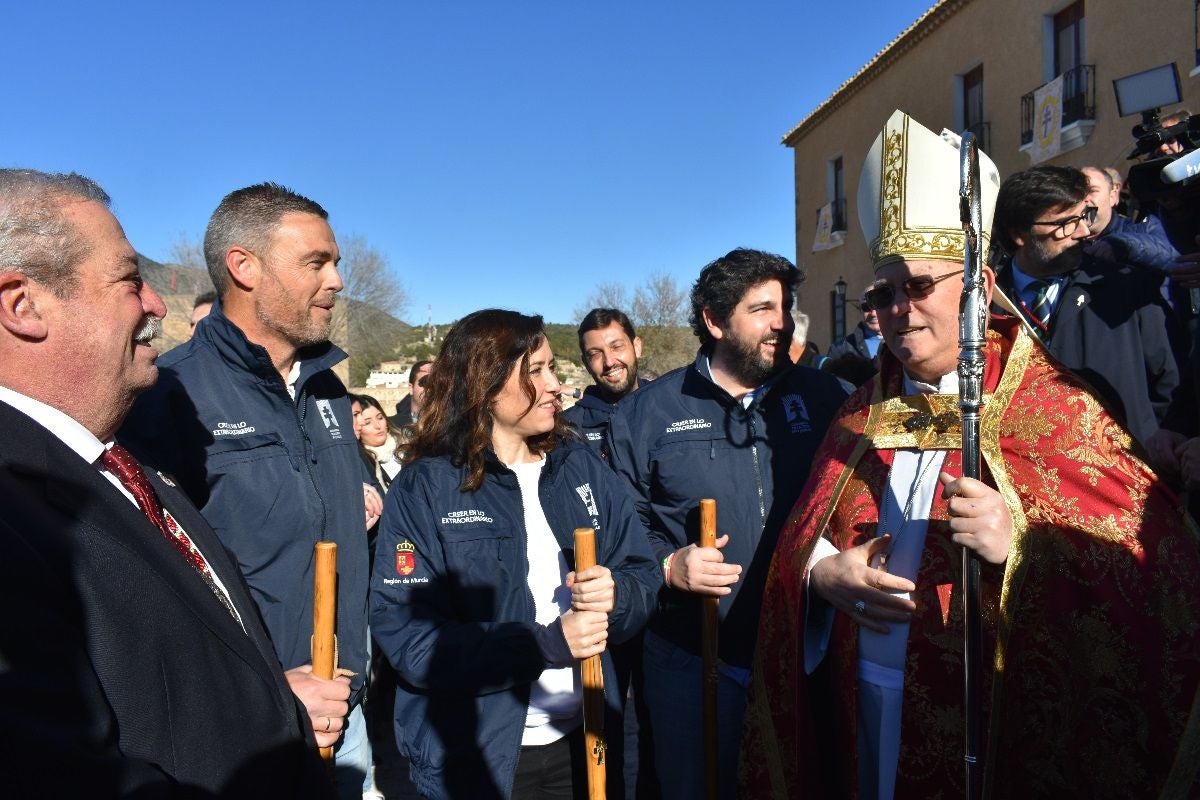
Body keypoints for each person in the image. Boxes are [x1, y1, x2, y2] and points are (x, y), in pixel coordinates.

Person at [741, 109, 1200, 799]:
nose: (898, 310)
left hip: (992, 715)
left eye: (919, 285)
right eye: (882, 294)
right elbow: (802, 535)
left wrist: (1024, 542)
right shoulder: (858, 411)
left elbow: (1155, 563)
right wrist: (820, 578)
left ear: (980, 289)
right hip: (857, 707)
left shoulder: (1055, 407)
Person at [0, 168, 334, 797]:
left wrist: (272, 703)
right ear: (24, 306)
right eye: (129, 280)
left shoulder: (126, 466)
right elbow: (58, 771)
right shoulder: (12, 506)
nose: (156, 304)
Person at [121, 182, 380, 798]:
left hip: (346, 710)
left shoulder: (328, 391)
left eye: (335, 262)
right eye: (316, 263)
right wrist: (263, 689)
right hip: (248, 730)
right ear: (244, 267)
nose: (338, 281)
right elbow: (152, 590)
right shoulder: (168, 397)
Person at [370, 309, 660, 799]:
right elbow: (410, 639)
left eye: (554, 368)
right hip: (476, 757)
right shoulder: (427, 488)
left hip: (585, 745)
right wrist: (541, 644)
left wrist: (618, 595)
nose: (557, 386)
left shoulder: (580, 468)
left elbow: (641, 572)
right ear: (485, 383)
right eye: (537, 371)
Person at [606, 248, 849, 800]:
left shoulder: (828, 399)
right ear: (715, 322)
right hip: (691, 656)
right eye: (761, 308)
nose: (781, 322)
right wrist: (669, 564)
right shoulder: (647, 413)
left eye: (785, 306)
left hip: (806, 651)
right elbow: (620, 524)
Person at [991, 165, 1180, 446]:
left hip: (1127, 469)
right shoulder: (987, 302)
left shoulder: (1124, 286)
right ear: (1020, 234)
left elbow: (1169, 380)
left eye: (1085, 216)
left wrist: (1155, 442)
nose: (1084, 231)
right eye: (1066, 223)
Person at [564, 307, 643, 457]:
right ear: (586, 364)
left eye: (617, 347)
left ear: (637, 347)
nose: (609, 362)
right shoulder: (569, 430)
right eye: (595, 354)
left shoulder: (669, 408)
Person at [353, 393, 403, 490]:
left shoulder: (410, 448)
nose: (378, 426)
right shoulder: (363, 466)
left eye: (380, 418)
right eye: (367, 422)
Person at [827, 286, 883, 363]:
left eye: (877, 305)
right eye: (866, 307)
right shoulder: (840, 349)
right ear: (860, 310)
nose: (873, 313)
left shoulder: (902, 341)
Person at [390, 359, 432, 427]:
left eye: (437, 384)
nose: (430, 389)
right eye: (424, 382)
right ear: (411, 388)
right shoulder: (392, 427)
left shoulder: (449, 427)